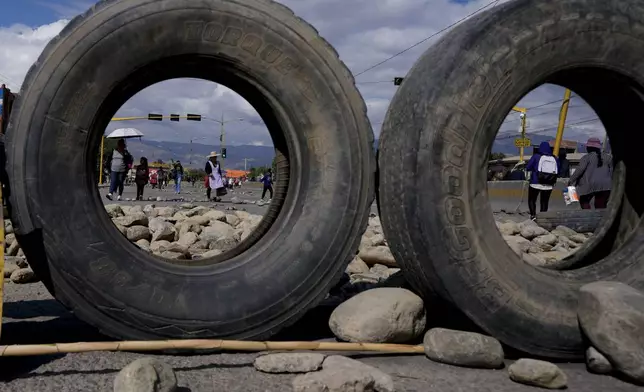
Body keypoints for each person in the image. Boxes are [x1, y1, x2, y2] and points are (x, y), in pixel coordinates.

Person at [569, 137, 613, 210]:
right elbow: (612, 172)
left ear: (588, 148)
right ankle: (599, 219)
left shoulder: (586, 158)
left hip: (589, 185)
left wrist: (571, 180)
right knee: (600, 206)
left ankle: (588, 216)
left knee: (584, 201)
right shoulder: (608, 157)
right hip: (605, 186)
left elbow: (579, 170)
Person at [526, 142, 559, 220]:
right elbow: (558, 170)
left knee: (532, 200)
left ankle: (533, 215)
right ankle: (543, 217)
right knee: (544, 201)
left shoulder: (536, 156)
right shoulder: (555, 158)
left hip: (535, 182)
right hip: (549, 184)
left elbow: (528, 167)